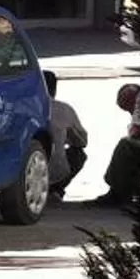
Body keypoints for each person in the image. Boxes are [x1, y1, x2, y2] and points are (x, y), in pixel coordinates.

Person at [94, 76, 140, 207]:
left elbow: (139, 133)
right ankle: (135, 190)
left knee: (126, 145)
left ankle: (117, 192)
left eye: (129, 108)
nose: (132, 113)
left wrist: (133, 130)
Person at [44, 71, 87, 200]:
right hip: (55, 171)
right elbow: (82, 142)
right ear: (54, 89)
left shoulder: (19, 107)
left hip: (22, 170)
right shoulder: (64, 109)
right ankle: (55, 189)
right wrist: (67, 133)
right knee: (79, 154)